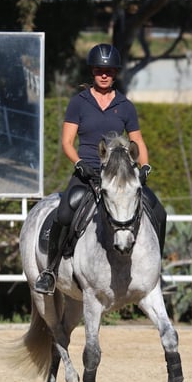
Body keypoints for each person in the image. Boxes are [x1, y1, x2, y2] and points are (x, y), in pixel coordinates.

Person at [34, 43, 168, 295]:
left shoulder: (125, 105)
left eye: (108, 70)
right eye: (98, 70)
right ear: (92, 72)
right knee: (64, 214)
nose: (103, 74)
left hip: (118, 176)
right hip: (87, 174)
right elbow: (66, 142)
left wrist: (145, 166)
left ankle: (156, 271)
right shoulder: (79, 102)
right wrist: (79, 164)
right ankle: (50, 271)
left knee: (159, 212)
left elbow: (137, 140)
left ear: (115, 72)